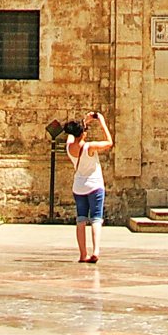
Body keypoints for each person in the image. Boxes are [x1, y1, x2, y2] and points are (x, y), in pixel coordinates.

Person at [66, 110, 112, 264]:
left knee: (81, 220)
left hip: (79, 187)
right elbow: (109, 142)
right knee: (96, 218)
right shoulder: (90, 147)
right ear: (84, 133)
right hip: (95, 185)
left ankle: (82, 254)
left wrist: (84, 122)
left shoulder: (69, 148)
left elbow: (73, 134)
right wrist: (102, 122)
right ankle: (96, 250)